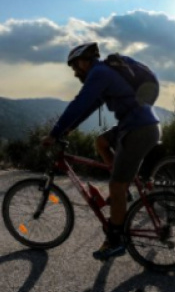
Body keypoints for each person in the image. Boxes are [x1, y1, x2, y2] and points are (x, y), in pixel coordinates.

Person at [42, 42, 160, 261]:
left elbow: (79, 102)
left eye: (75, 66)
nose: (75, 71)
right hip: (134, 125)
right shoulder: (103, 74)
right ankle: (122, 193)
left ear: (84, 61)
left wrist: (54, 132)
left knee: (116, 184)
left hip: (138, 129)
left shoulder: (99, 73)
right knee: (101, 142)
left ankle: (116, 240)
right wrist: (68, 129)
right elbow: (88, 107)